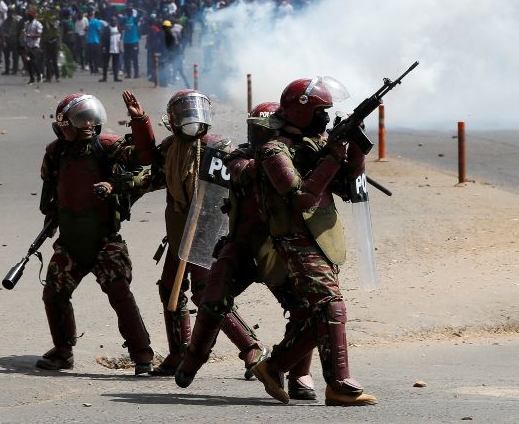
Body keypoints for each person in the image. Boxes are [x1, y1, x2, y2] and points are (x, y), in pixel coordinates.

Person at [174, 102, 316, 399]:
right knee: (211, 300)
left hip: (280, 248)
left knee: (305, 307)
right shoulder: (239, 156)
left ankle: (300, 374)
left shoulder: (294, 156)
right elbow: (245, 173)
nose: (260, 136)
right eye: (256, 129)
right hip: (240, 246)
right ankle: (193, 359)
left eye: (267, 131)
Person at [250, 77, 377, 406]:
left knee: (319, 315)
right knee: (331, 306)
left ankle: (274, 366)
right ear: (300, 112)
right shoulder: (272, 151)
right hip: (294, 240)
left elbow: (350, 188)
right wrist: (333, 155)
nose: (325, 117)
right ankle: (338, 384)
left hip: (321, 238)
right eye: (321, 111)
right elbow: (301, 199)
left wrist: (357, 152)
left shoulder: (316, 144)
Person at [137, 90, 265, 377]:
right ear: (172, 120)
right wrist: (139, 123)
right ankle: (178, 352)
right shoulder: (170, 148)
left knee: (207, 295)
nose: (190, 119)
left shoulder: (219, 148)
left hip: (210, 233)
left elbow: (237, 186)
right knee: (170, 289)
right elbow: (150, 172)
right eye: (183, 113)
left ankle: (252, 348)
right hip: (179, 231)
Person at [36, 91, 155, 375]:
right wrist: (52, 220)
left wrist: (139, 121)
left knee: (120, 293)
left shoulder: (106, 145)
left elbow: (144, 155)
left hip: (105, 240)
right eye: (81, 119)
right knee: (53, 293)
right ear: (65, 124)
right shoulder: (55, 154)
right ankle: (63, 352)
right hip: (71, 241)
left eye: (91, 118)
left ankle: (143, 356)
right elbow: (50, 200)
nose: (89, 124)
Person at [21, 7, 43, 85]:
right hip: (27, 45)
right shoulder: (26, 23)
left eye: (30, 15)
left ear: (33, 16)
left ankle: (39, 74)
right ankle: (32, 78)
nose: (28, 17)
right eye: (28, 15)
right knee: (28, 61)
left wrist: (29, 35)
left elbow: (39, 34)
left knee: (33, 60)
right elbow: (24, 32)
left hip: (35, 46)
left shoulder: (38, 24)